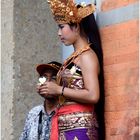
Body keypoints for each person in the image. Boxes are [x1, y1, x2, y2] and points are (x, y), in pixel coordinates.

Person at [39, 1, 105, 140]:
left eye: (61, 27)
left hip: (80, 127)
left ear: (76, 27)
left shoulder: (87, 56)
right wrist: (49, 91)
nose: (59, 33)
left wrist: (58, 90)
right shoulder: (73, 57)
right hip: (66, 125)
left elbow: (93, 95)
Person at [19, 61, 62, 140]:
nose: (47, 82)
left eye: (53, 78)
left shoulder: (66, 113)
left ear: (62, 84)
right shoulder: (34, 112)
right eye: (44, 77)